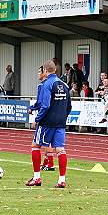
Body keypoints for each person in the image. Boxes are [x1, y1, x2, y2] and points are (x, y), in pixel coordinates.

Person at [26, 60, 72, 188]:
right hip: (61, 123)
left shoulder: (47, 84)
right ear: (55, 70)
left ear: (45, 71)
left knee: (35, 146)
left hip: (47, 122)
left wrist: (37, 119)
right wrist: (62, 117)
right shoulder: (65, 85)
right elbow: (69, 106)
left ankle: (37, 178)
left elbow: (45, 105)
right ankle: (62, 180)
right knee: (60, 149)